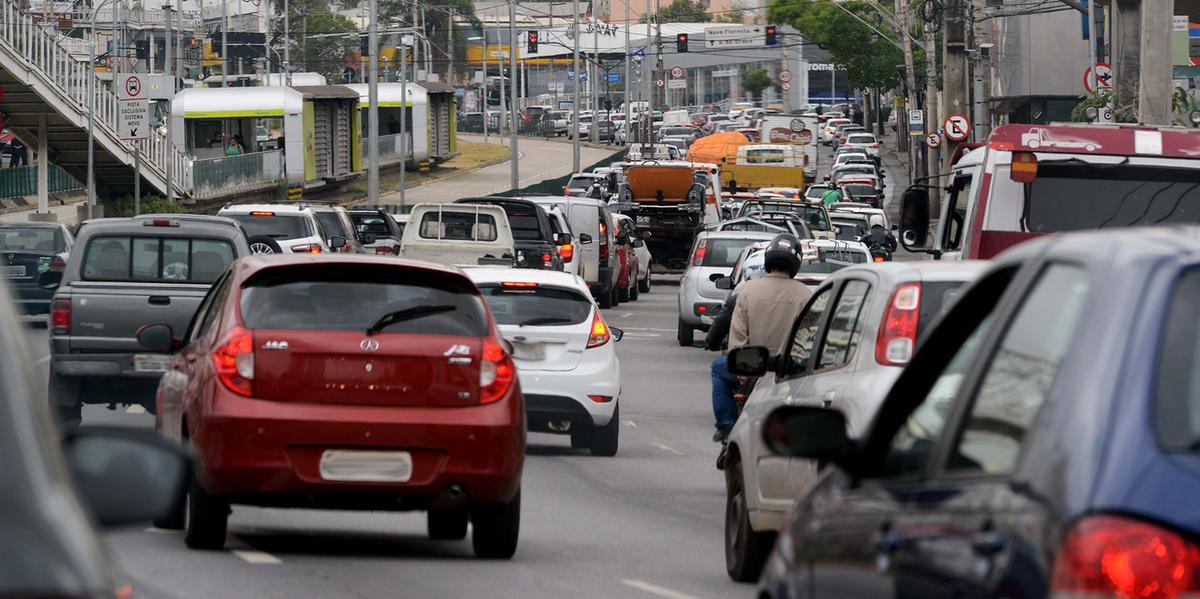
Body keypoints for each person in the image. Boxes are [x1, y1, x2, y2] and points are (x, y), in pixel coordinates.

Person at [710, 234, 812, 441]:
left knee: (717, 369)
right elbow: (809, 336)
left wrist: (741, 369)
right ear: (796, 263)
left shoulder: (748, 290)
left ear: (768, 259)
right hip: (789, 368)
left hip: (752, 365)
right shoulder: (805, 294)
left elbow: (738, 335)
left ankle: (727, 425)